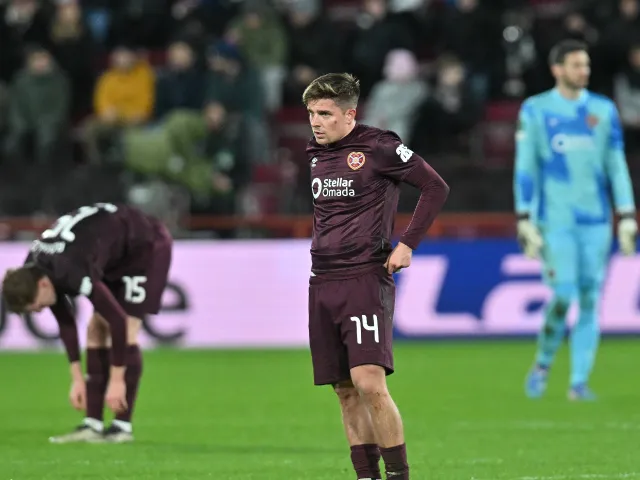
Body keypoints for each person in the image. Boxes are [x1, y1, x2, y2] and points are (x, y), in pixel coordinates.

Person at [303, 73, 449, 480]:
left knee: (368, 382)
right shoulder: (315, 153)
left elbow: (435, 187)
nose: (316, 122)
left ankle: (399, 476)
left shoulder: (380, 146)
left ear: (350, 115)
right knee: (344, 391)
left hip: (364, 277)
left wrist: (408, 244)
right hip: (322, 280)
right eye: (311, 113)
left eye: (325, 113)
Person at [514, 39, 637, 401]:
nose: (584, 71)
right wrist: (524, 217)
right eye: (576, 65)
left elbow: (616, 165)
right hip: (556, 221)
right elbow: (526, 167)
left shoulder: (603, 109)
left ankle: (578, 383)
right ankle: (543, 363)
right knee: (563, 294)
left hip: (596, 221)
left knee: (589, 298)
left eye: (586, 65)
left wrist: (626, 214)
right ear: (557, 69)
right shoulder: (536, 110)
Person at [2, 203, 173, 442]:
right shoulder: (36, 268)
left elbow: (118, 321)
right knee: (96, 328)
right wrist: (76, 378)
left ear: (43, 284)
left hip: (144, 246)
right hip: (114, 253)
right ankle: (92, 424)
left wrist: (117, 380)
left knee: (127, 326)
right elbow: (65, 321)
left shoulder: (70, 269)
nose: (39, 311)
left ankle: (122, 427)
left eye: (37, 306)